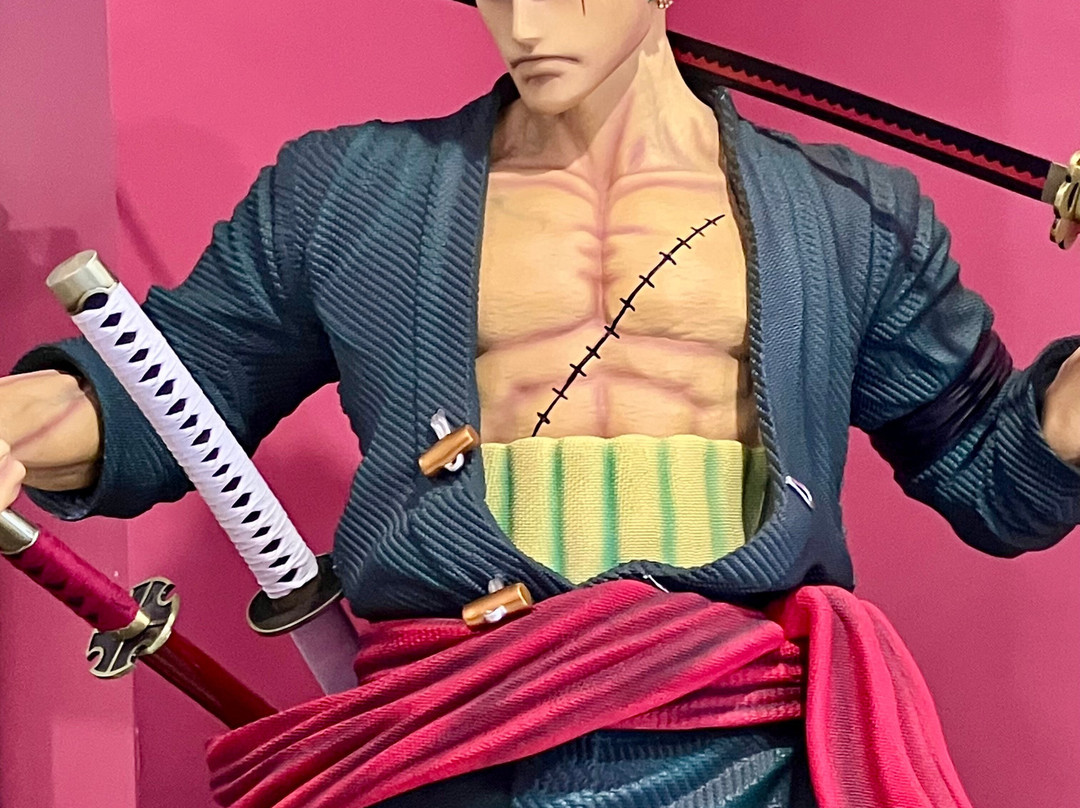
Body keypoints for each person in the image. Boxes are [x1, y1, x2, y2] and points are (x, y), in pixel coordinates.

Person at [2, 0, 1079, 805]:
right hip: (444, 740)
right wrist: (19, 420)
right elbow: (166, 390)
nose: (523, 21)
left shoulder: (852, 214)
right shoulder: (344, 191)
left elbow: (998, 474)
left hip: (743, 748)